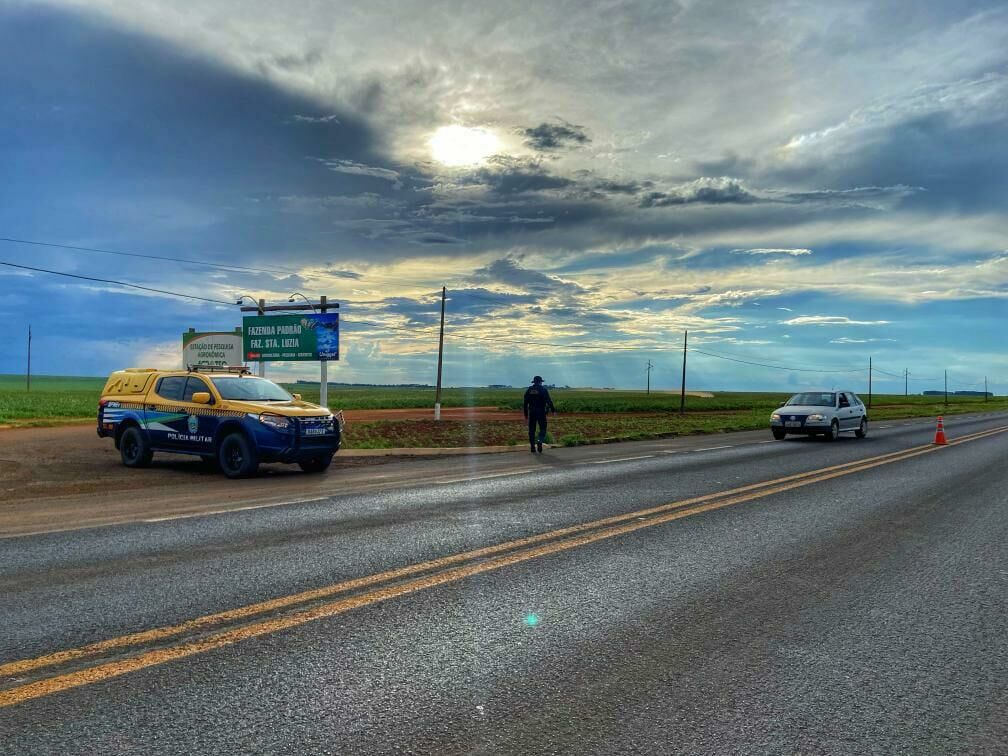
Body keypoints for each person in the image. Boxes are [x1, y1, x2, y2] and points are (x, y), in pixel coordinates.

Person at [523, 375, 556, 453]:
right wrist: (553, 410)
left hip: (532, 412)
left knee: (531, 430)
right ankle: (539, 440)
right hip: (541, 412)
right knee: (543, 428)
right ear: (541, 382)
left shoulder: (529, 390)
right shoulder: (543, 389)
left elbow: (525, 403)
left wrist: (526, 415)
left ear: (534, 382)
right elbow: (549, 401)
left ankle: (532, 447)